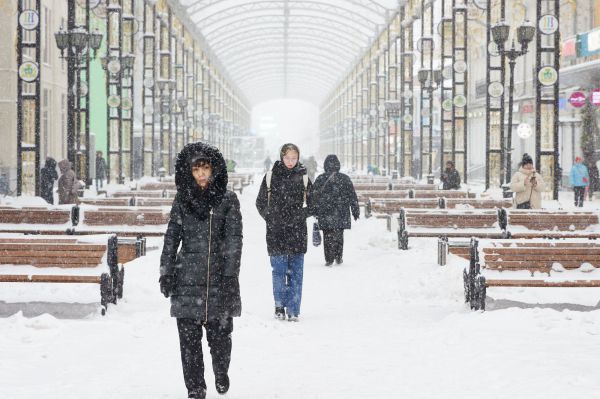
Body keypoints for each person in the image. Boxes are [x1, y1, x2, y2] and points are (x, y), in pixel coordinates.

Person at [159, 142, 243, 399]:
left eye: (206, 168)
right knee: (189, 343)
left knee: (220, 339)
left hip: (218, 278)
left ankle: (220, 371)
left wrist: (230, 276)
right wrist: (166, 270)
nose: (202, 174)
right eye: (197, 169)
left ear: (214, 170)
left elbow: (234, 240)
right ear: (190, 172)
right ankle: (195, 388)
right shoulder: (183, 199)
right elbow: (172, 237)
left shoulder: (227, 200)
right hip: (187, 279)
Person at [255, 143, 312, 322]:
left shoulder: (303, 177)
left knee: (296, 273)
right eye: (287, 158)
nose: (290, 161)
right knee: (279, 271)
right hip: (276, 232)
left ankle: (294, 309)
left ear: (298, 158)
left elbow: (314, 203)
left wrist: (301, 214)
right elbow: (260, 202)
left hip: (297, 232)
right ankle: (279, 305)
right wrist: (271, 217)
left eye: (293, 158)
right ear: (281, 157)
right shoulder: (271, 177)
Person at [311, 154, 359, 266]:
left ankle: (329, 259)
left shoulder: (320, 178)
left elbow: (313, 196)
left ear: (325, 165)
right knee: (339, 235)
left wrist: (314, 210)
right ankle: (338, 257)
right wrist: (355, 210)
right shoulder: (345, 178)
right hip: (341, 212)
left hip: (325, 212)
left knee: (327, 234)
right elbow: (352, 196)